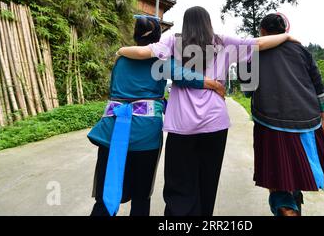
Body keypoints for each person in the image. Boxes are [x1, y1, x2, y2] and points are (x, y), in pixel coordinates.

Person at [117, 6, 297, 216]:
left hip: (182, 125)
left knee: (179, 182)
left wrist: (121, 51)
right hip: (215, 123)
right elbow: (259, 43)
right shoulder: (222, 41)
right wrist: (287, 37)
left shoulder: (174, 41)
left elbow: (142, 52)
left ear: (186, 23)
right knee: (207, 181)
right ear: (208, 22)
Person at [87, 15, 225, 216]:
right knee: (141, 197)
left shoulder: (121, 59)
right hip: (144, 135)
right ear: (159, 37)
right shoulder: (160, 60)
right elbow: (186, 76)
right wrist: (214, 84)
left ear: (135, 35)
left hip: (112, 130)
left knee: (106, 195)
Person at [241, 13, 324, 216]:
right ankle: (293, 204)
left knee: (277, 173)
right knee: (296, 167)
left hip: (269, 120)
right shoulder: (302, 51)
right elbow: (319, 88)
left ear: (262, 31)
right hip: (307, 119)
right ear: (285, 30)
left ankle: (286, 208)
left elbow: (247, 90)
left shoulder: (251, 52)